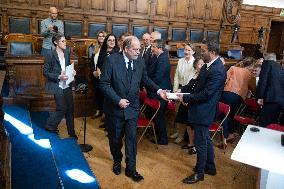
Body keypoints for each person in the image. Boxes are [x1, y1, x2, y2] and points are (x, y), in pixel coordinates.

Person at [99, 36, 167, 182]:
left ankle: (131, 169)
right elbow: (104, 84)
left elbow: (146, 80)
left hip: (132, 107)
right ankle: (117, 161)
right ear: (126, 49)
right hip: (115, 108)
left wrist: (159, 90)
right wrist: (118, 100)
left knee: (131, 139)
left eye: (139, 49)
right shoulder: (111, 60)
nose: (138, 52)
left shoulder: (140, 61)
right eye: (135, 49)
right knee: (115, 140)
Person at [177, 40, 226, 184]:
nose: (201, 53)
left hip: (204, 111)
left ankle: (200, 173)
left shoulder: (218, 70)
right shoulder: (207, 66)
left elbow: (206, 94)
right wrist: (182, 91)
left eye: (203, 51)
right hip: (200, 108)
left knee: (200, 142)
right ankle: (209, 167)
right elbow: (196, 85)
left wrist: (187, 98)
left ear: (212, 52)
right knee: (205, 139)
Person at [43, 33, 77, 140]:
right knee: (62, 108)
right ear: (55, 42)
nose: (65, 43)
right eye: (63, 41)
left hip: (66, 83)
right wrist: (58, 76)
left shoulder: (67, 52)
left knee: (70, 109)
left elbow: (66, 66)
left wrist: (72, 72)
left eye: (65, 41)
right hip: (56, 84)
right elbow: (45, 72)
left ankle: (71, 133)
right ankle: (50, 125)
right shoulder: (50, 55)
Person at [220, 57, 255, 148]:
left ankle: (226, 137)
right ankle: (230, 134)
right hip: (239, 97)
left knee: (225, 115)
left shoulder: (233, 68)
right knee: (231, 115)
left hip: (227, 93)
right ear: (250, 65)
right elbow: (253, 87)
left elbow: (224, 80)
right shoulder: (250, 74)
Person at [176, 57, 205, 155]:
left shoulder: (204, 76)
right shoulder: (195, 74)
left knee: (193, 126)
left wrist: (187, 98)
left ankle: (195, 146)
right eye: (199, 64)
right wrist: (181, 90)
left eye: (202, 64)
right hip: (188, 100)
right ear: (195, 65)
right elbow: (189, 86)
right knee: (188, 124)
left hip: (193, 102)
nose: (201, 66)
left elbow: (198, 92)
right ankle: (191, 143)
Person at [148, 39, 172, 145]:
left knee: (159, 116)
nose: (152, 49)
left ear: (160, 49)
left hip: (162, 91)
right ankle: (159, 136)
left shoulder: (163, 60)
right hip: (157, 90)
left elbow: (158, 77)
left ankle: (163, 139)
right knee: (157, 116)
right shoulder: (156, 57)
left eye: (154, 47)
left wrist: (148, 83)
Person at [171, 43, 196, 144]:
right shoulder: (180, 60)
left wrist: (183, 92)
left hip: (187, 91)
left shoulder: (195, 62)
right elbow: (176, 76)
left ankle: (181, 135)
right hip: (179, 89)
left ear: (193, 52)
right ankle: (177, 131)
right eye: (185, 50)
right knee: (176, 112)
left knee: (183, 114)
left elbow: (191, 81)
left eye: (189, 50)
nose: (186, 52)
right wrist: (175, 90)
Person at [95, 34, 120, 125]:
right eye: (109, 40)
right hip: (103, 80)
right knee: (104, 100)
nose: (112, 42)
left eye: (113, 40)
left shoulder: (118, 52)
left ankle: (109, 123)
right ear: (106, 41)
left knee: (111, 100)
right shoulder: (103, 51)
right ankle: (106, 121)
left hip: (113, 81)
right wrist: (99, 72)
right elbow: (98, 64)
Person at [256, 54, 284, 127]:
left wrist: (259, 96)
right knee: (272, 125)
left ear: (266, 59)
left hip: (270, 99)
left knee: (264, 123)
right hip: (279, 102)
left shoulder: (267, 63)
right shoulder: (280, 68)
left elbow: (263, 81)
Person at [89, 31, 106, 118]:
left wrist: (100, 71)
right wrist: (93, 71)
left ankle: (104, 112)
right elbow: (92, 61)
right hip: (95, 74)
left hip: (103, 74)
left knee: (103, 94)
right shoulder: (95, 47)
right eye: (99, 36)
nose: (101, 37)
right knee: (97, 93)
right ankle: (98, 110)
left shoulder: (107, 48)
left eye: (103, 36)